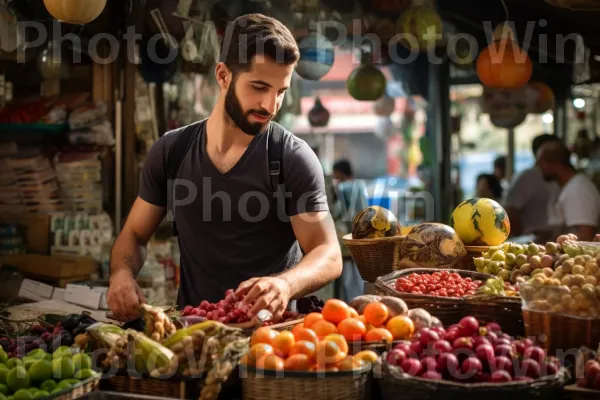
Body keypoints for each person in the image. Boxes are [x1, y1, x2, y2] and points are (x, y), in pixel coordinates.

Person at [107, 14, 343, 322]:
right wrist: (122, 273)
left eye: (280, 91)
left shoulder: (290, 158)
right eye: (259, 87)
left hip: (273, 344)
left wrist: (286, 283)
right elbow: (134, 235)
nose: (270, 105)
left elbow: (328, 253)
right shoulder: (171, 152)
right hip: (194, 335)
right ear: (223, 76)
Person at [536, 139, 600, 242]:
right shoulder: (571, 186)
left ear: (554, 163)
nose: (538, 167)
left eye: (540, 163)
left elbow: (586, 236)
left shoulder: (578, 189)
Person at [504, 134, 561, 239]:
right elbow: (511, 212)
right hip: (533, 241)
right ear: (540, 153)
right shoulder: (527, 177)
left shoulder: (559, 177)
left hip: (557, 239)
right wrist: (525, 236)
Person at [331, 159, 368, 302]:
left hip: (349, 237)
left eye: (335, 174)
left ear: (339, 172)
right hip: (362, 235)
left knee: (348, 279)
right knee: (359, 275)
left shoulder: (344, 188)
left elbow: (338, 213)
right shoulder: (360, 186)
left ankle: (352, 302)